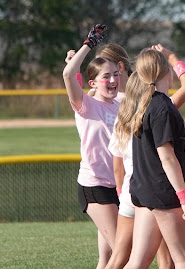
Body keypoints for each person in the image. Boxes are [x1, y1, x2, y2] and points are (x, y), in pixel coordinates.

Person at [106, 44, 185, 269]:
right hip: (163, 193)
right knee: (184, 259)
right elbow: (166, 157)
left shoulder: (143, 103)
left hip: (142, 190)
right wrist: (183, 196)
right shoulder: (162, 107)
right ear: (165, 71)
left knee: (138, 261)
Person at [62, 25, 120, 269]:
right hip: (95, 186)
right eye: (106, 76)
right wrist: (89, 44)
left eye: (116, 74)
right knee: (123, 252)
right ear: (92, 83)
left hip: (117, 186)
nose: (113, 80)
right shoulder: (85, 105)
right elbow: (68, 75)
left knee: (107, 260)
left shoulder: (119, 105)